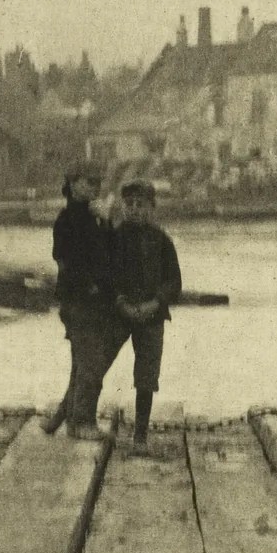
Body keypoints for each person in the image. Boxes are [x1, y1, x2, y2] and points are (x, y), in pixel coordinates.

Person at [41, 161, 118, 440]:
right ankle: (81, 422)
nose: (95, 187)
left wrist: (106, 221)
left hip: (93, 300)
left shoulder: (92, 216)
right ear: (73, 184)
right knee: (91, 362)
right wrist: (89, 285)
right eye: (89, 181)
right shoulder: (67, 219)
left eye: (97, 182)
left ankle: (63, 416)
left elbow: (112, 250)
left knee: (82, 361)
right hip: (79, 300)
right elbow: (63, 260)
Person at [110, 179, 182, 455]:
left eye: (140, 204)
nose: (134, 209)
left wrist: (155, 303)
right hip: (119, 313)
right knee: (95, 362)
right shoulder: (114, 239)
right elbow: (106, 278)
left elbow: (174, 282)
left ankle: (140, 434)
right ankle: (81, 418)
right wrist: (121, 302)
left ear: (152, 208)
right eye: (129, 204)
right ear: (122, 206)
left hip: (151, 315)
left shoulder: (162, 241)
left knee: (147, 375)